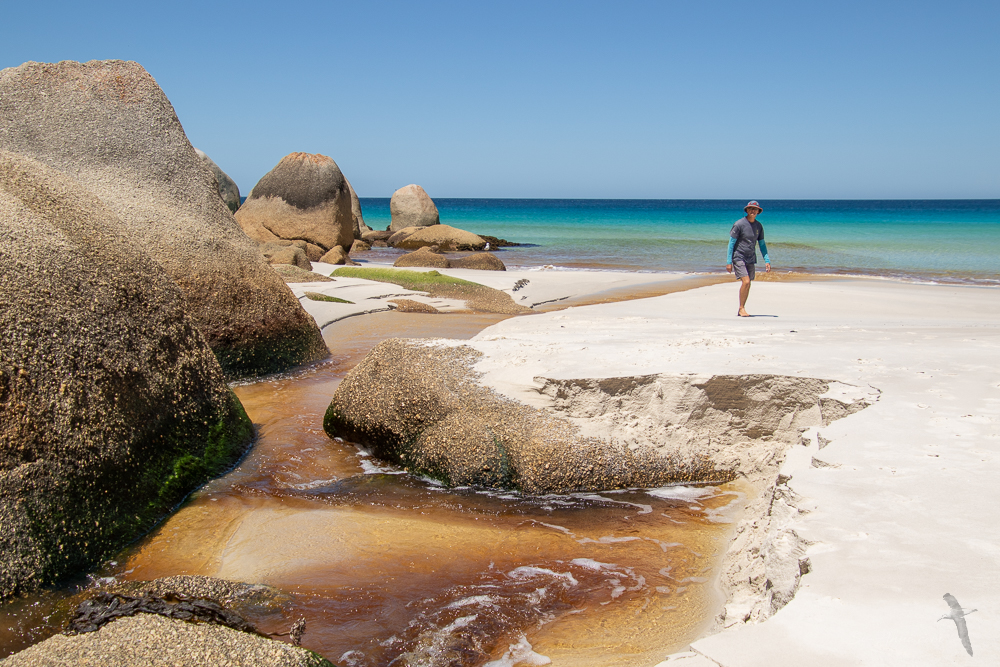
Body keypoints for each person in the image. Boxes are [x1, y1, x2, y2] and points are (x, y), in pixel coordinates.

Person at [726, 200, 771, 317]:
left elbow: (762, 244)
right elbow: (731, 243)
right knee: (745, 281)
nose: (753, 211)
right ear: (746, 210)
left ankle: (741, 308)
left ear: (758, 212)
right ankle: (741, 308)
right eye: (750, 208)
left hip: (750, 258)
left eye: (755, 209)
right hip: (738, 256)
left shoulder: (759, 226)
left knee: (748, 283)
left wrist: (767, 260)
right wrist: (729, 262)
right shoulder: (739, 224)